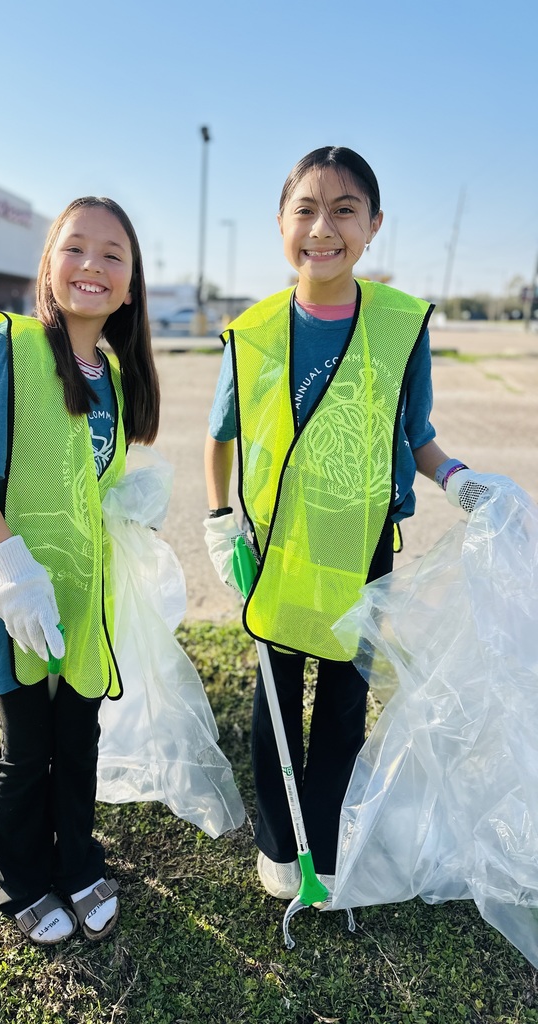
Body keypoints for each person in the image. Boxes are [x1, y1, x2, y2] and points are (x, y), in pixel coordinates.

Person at [203, 146, 495, 900]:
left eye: (344, 210)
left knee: (341, 700)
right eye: (305, 209)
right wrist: (216, 518)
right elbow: (221, 433)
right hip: (277, 552)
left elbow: (416, 434)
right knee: (275, 697)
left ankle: (325, 843)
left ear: (373, 226)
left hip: (362, 546)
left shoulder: (401, 324)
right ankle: (277, 845)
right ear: (281, 223)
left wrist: (457, 479)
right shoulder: (254, 331)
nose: (322, 228)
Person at [0, 196, 160, 945]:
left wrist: (132, 506)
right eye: (75, 248)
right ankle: (22, 876)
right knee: (27, 748)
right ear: (48, 265)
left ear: (130, 287)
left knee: (80, 737)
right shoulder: (10, 344)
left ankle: (79, 861)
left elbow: (90, 483)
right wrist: (12, 567)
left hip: (83, 597)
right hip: (17, 593)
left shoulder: (118, 375)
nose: (92, 265)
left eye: (112, 255)